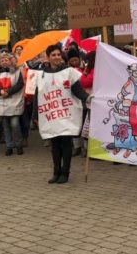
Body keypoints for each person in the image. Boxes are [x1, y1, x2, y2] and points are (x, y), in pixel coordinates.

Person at [35, 45, 89, 184]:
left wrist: (87, 98)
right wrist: (35, 115)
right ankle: (56, 172)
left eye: (58, 54)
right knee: (54, 144)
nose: (56, 57)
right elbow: (38, 95)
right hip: (50, 114)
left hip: (66, 114)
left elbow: (78, 90)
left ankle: (65, 172)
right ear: (48, 57)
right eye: (53, 55)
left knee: (66, 143)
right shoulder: (41, 75)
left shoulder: (69, 72)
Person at [0, 53, 25, 156]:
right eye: (2, 60)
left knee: (14, 124)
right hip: (1, 103)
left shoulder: (17, 71)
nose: (4, 62)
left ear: (10, 61)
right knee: (6, 126)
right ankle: (9, 146)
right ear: (0, 62)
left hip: (13, 102)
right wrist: (0, 91)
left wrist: (8, 92)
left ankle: (18, 145)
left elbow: (20, 84)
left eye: (6, 60)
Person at [74, 51, 96, 158]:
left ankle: (91, 151)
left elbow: (85, 82)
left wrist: (83, 74)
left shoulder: (94, 70)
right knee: (89, 128)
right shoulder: (92, 70)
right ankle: (89, 150)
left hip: (93, 102)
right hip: (91, 102)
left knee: (91, 128)